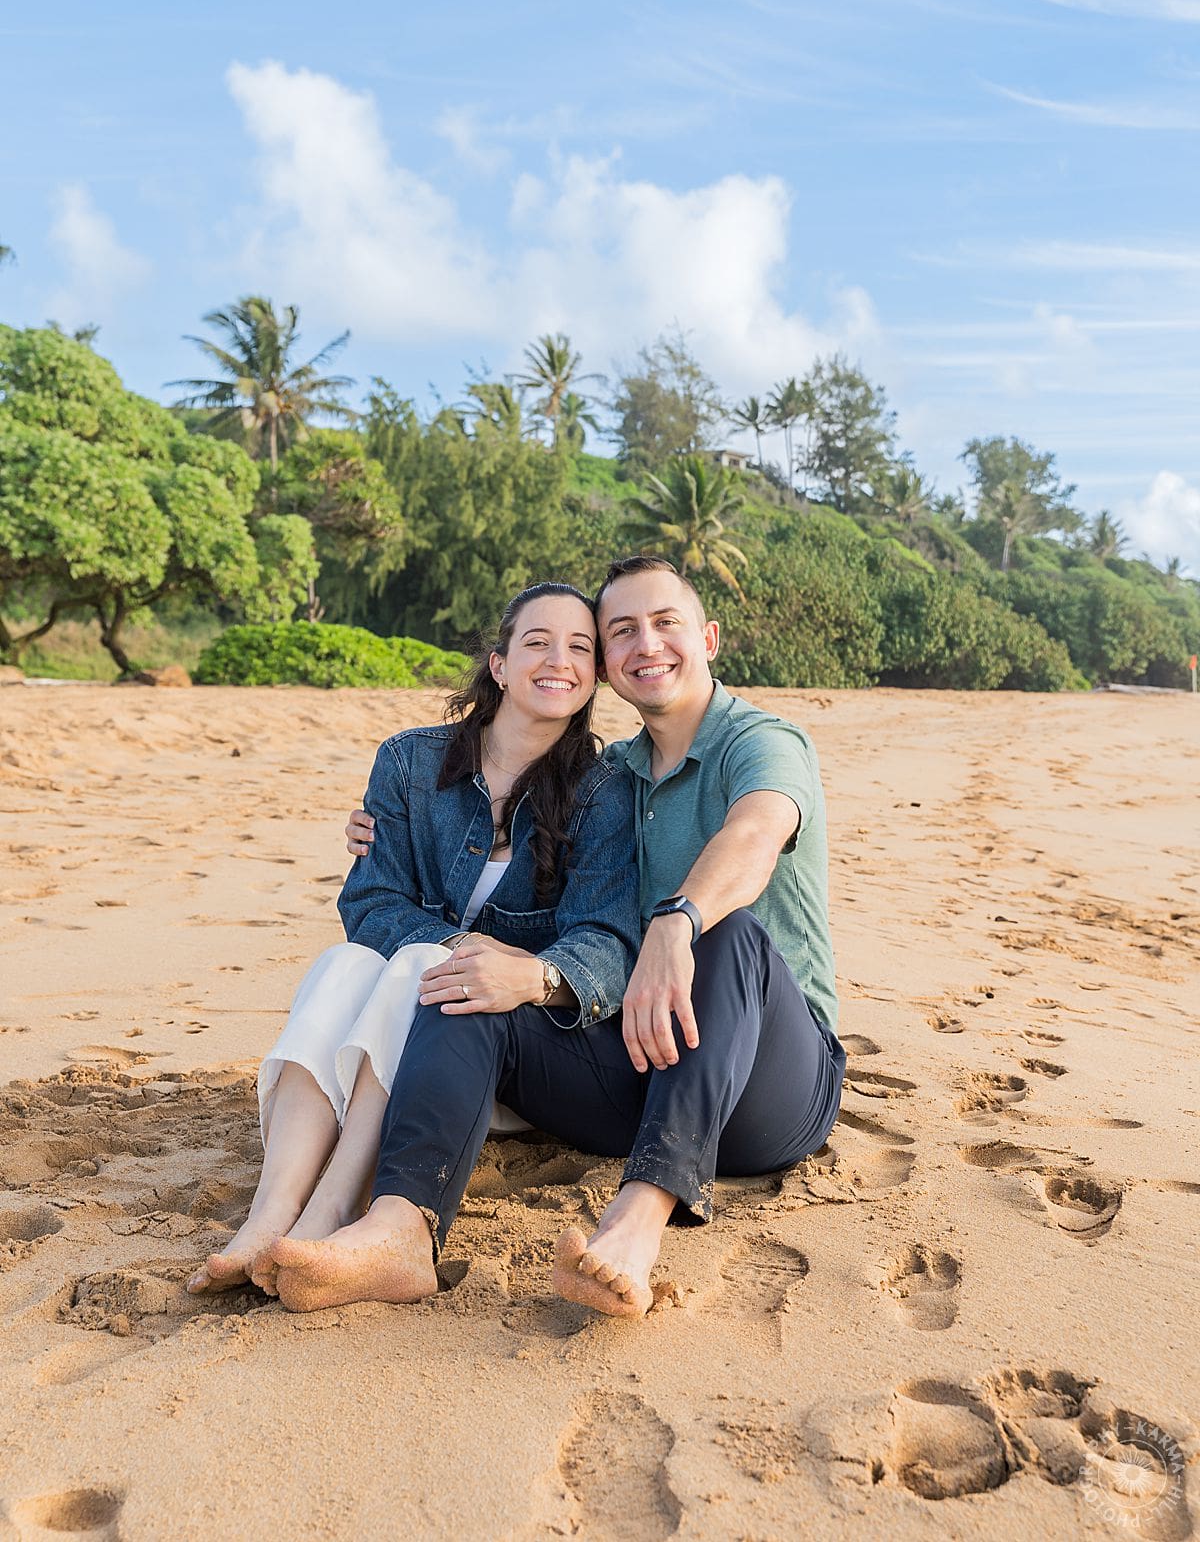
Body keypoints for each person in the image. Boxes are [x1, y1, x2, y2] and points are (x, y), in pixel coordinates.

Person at [266, 557, 845, 1319]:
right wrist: (405, 850)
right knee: (470, 980)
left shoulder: (759, 741)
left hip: (769, 1084)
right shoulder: (611, 777)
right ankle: (400, 1228)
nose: (648, 644)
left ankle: (636, 1225)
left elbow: (757, 832)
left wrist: (679, 921)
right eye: (622, 632)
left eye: (666, 623)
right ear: (608, 664)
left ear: (707, 637)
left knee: (727, 937)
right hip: (644, 1066)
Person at [186, 581, 640, 1298]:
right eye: (538, 643)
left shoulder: (604, 789)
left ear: (597, 675)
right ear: (498, 663)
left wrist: (528, 975)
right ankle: (269, 1214)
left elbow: (606, 943)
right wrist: (468, 952)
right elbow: (369, 901)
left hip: (492, 1058)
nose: (560, 660)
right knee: (346, 960)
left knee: (419, 958)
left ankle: (334, 1203)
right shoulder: (408, 764)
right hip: (411, 1025)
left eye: (580, 648)